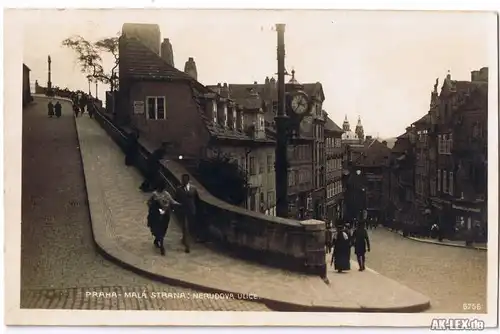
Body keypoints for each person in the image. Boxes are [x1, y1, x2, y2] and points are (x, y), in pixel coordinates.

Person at [147, 183, 180, 256]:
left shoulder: (166, 194)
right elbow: (149, 202)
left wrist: (179, 204)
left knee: (164, 228)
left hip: (166, 214)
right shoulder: (154, 194)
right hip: (157, 215)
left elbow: (172, 201)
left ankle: (157, 239)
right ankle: (161, 245)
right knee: (158, 228)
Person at [176, 174, 202, 253]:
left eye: (184, 180)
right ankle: (187, 245)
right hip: (183, 209)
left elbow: (197, 200)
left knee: (190, 225)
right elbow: (176, 198)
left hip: (191, 210)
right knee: (185, 226)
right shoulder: (179, 189)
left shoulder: (193, 189)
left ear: (187, 180)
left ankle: (186, 239)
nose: (183, 181)